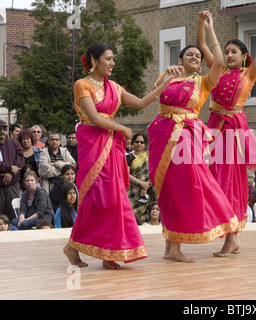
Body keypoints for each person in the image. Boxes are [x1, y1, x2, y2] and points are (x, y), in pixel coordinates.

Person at [64, 43, 170, 269]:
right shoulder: (82, 85)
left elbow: (141, 103)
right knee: (96, 199)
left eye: (113, 59)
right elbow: (93, 118)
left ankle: (108, 253)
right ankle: (72, 248)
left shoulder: (115, 87)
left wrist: (165, 83)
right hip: (93, 143)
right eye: (108, 59)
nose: (112, 63)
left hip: (111, 147)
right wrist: (121, 128)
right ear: (94, 60)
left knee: (113, 199)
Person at [147, 14, 239, 263]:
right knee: (166, 190)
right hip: (160, 136)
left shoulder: (204, 82)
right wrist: (166, 77)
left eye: (198, 57)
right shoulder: (166, 77)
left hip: (186, 138)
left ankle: (230, 233)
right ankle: (171, 247)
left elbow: (218, 61)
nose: (195, 58)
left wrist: (208, 28)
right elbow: (151, 98)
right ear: (179, 59)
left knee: (192, 187)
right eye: (190, 55)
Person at [196, 11, 256, 256]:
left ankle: (233, 237)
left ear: (244, 58)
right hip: (213, 132)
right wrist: (205, 25)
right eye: (227, 51)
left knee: (230, 184)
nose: (229, 55)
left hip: (233, 135)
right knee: (212, 182)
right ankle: (228, 234)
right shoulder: (216, 70)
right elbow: (200, 44)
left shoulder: (249, 74)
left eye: (234, 52)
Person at [126, 133, 157, 223]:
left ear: (145, 144)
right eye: (137, 141)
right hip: (132, 192)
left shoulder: (150, 157)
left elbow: (153, 173)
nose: (139, 144)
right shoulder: (128, 158)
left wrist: (145, 187)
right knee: (131, 215)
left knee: (147, 213)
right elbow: (125, 174)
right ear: (132, 143)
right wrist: (140, 183)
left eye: (142, 142)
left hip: (148, 192)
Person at [0, 119, 24, 221]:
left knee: (13, 215)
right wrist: (10, 167)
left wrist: (10, 172)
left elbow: (20, 160)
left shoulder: (14, 143)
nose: (2, 131)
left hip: (12, 185)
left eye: (4, 129)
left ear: (7, 131)